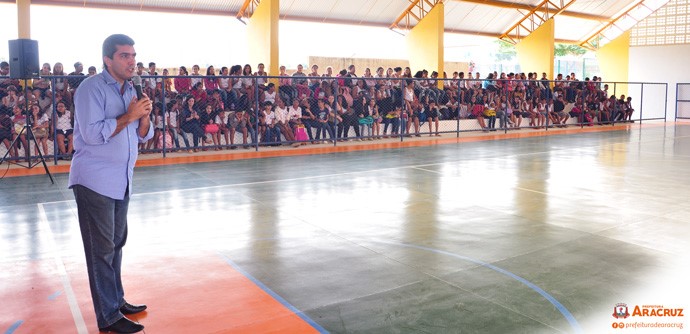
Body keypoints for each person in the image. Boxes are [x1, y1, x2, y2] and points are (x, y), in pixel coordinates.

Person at [68, 34, 152, 334]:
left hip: (121, 180)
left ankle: (116, 301)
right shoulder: (90, 89)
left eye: (133, 55)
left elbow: (141, 134)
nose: (132, 61)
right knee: (101, 250)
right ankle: (108, 316)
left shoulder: (130, 89)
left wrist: (143, 120)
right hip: (95, 181)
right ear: (108, 59)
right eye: (124, 56)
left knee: (116, 245)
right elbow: (91, 134)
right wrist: (130, 116)